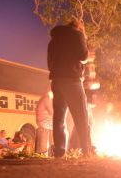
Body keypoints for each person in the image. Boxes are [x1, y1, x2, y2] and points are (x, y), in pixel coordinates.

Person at [48, 19, 92, 157]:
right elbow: (83, 56)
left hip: (56, 80)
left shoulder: (53, 39)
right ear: (79, 27)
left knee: (59, 117)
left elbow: (49, 62)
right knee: (81, 116)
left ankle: (59, 151)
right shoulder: (77, 35)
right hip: (72, 79)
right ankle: (87, 150)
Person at [35, 90, 54, 156]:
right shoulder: (47, 98)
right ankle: (52, 150)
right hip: (44, 122)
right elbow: (52, 112)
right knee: (59, 126)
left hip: (43, 122)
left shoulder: (44, 97)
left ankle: (51, 150)